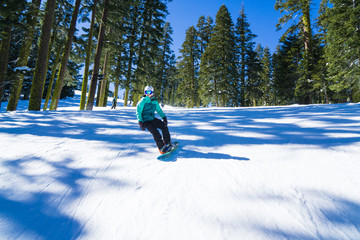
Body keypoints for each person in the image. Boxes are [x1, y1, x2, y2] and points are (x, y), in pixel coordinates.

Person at [136, 85, 172, 154]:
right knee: (155, 132)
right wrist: (140, 122)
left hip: (152, 119)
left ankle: (167, 142)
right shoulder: (142, 101)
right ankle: (161, 148)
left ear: (152, 92)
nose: (148, 94)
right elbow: (138, 111)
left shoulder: (154, 101)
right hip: (145, 121)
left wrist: (164, 117)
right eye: (146, 92)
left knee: (164, 126)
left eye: (149, 92)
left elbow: (159, 110)